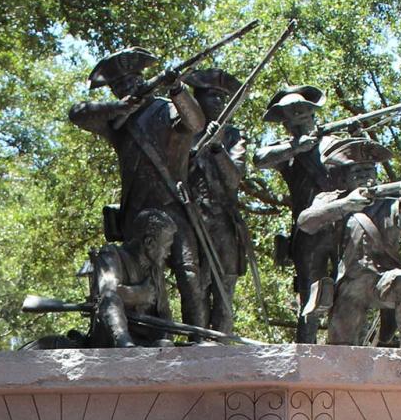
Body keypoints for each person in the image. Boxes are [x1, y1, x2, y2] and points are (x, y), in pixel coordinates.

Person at [68, 48, 209, 330]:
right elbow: (76, 114)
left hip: (175, 207)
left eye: (130, 83)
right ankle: (149, 334)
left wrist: (178, 90)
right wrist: (118, 108)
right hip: (137, 215)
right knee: (141, 281)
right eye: (119, 86)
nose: (126, 89)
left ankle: (199, 339)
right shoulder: (118, 122)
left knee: (189, 274)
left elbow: (195, 123)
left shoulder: (165, 108)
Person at [297, 137, 401, 348]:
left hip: (383, 280)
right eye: (358, 172)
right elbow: (305, 222)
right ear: (345, 178)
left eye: (369, 171)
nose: (365, 176)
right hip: (350, 285)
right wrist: (346, 205)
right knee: (340, 349)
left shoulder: (389, 202)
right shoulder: (332, 199)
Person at [253, 85, 334, 343]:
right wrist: (296, 147)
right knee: (309, 294)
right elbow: (259, 158)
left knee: (351, 285)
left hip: (344, 223)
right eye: (291, 115)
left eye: (302, 112)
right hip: (308, 229)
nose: (298, 118)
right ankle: (306, 352)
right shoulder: (287, 149)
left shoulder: (334, 143)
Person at [184, 68, 253, 334]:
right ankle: (197, 343)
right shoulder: (182, 132)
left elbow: (234, 179)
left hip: (223, 222)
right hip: (191, 219)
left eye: (222, 98)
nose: (218, 102)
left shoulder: (234, 135)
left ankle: (222, 344)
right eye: (211, 96)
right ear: (197, 99)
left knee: (225, 287)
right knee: (193, 288)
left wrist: (217, 147)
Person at [88, 209, 176, 347]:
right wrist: (139, 294)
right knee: (111, 300)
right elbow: (108, 294)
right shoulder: (111, 254)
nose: (169, 253)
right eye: (166, 247)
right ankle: (126, 346)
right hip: (111, 342)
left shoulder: (155, 271)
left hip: (146, 343)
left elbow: (164, 313)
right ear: (149, 243)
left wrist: (165, 341)